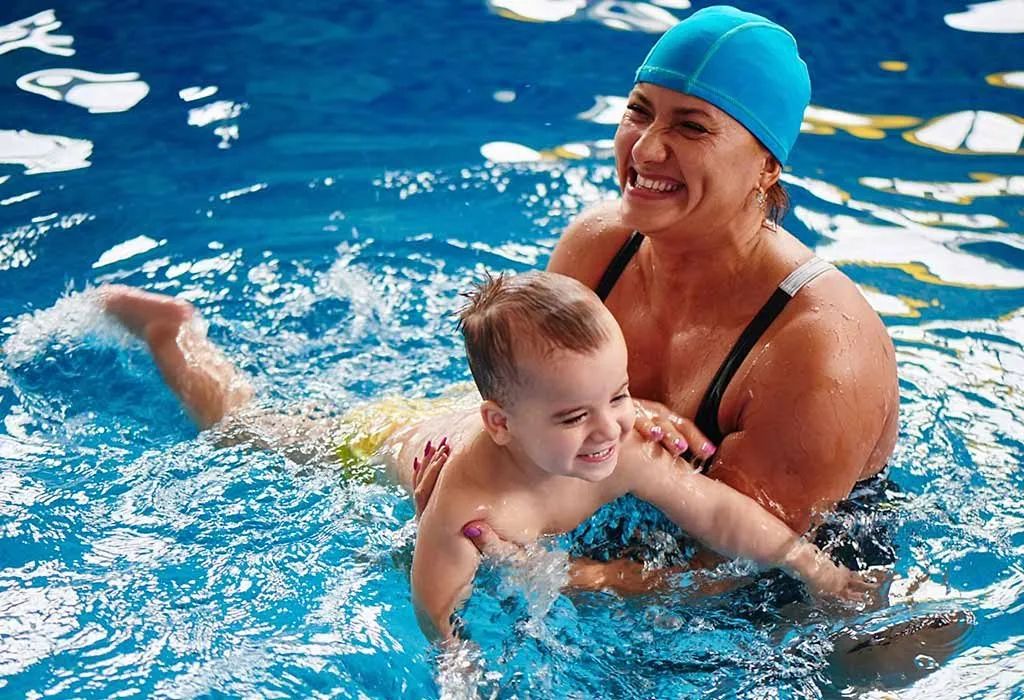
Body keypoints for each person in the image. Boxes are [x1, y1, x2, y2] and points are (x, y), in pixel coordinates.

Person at [99, 274, 877, 642]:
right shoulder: (469, 505)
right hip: (389, 438)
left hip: (487, 406)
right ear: (500, 425)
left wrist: (812, 567)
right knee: (248, 429)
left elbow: (716, 512)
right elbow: (435, 613)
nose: (608, 430)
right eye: (577, 415)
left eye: (620, 394)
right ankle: (174, 332)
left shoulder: (619, 441)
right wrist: (459, 676)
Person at [419, 5, 900, 576]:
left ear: (767, 167)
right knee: (357, 442)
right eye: (639, 112)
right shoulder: (600, 249)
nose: (645, 150)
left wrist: (556, 573)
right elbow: (532, 415)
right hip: (626, 509)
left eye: (691, 127)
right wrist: (468, 492)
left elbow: (735, 571)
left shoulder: (820, 349)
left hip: (789, 591)